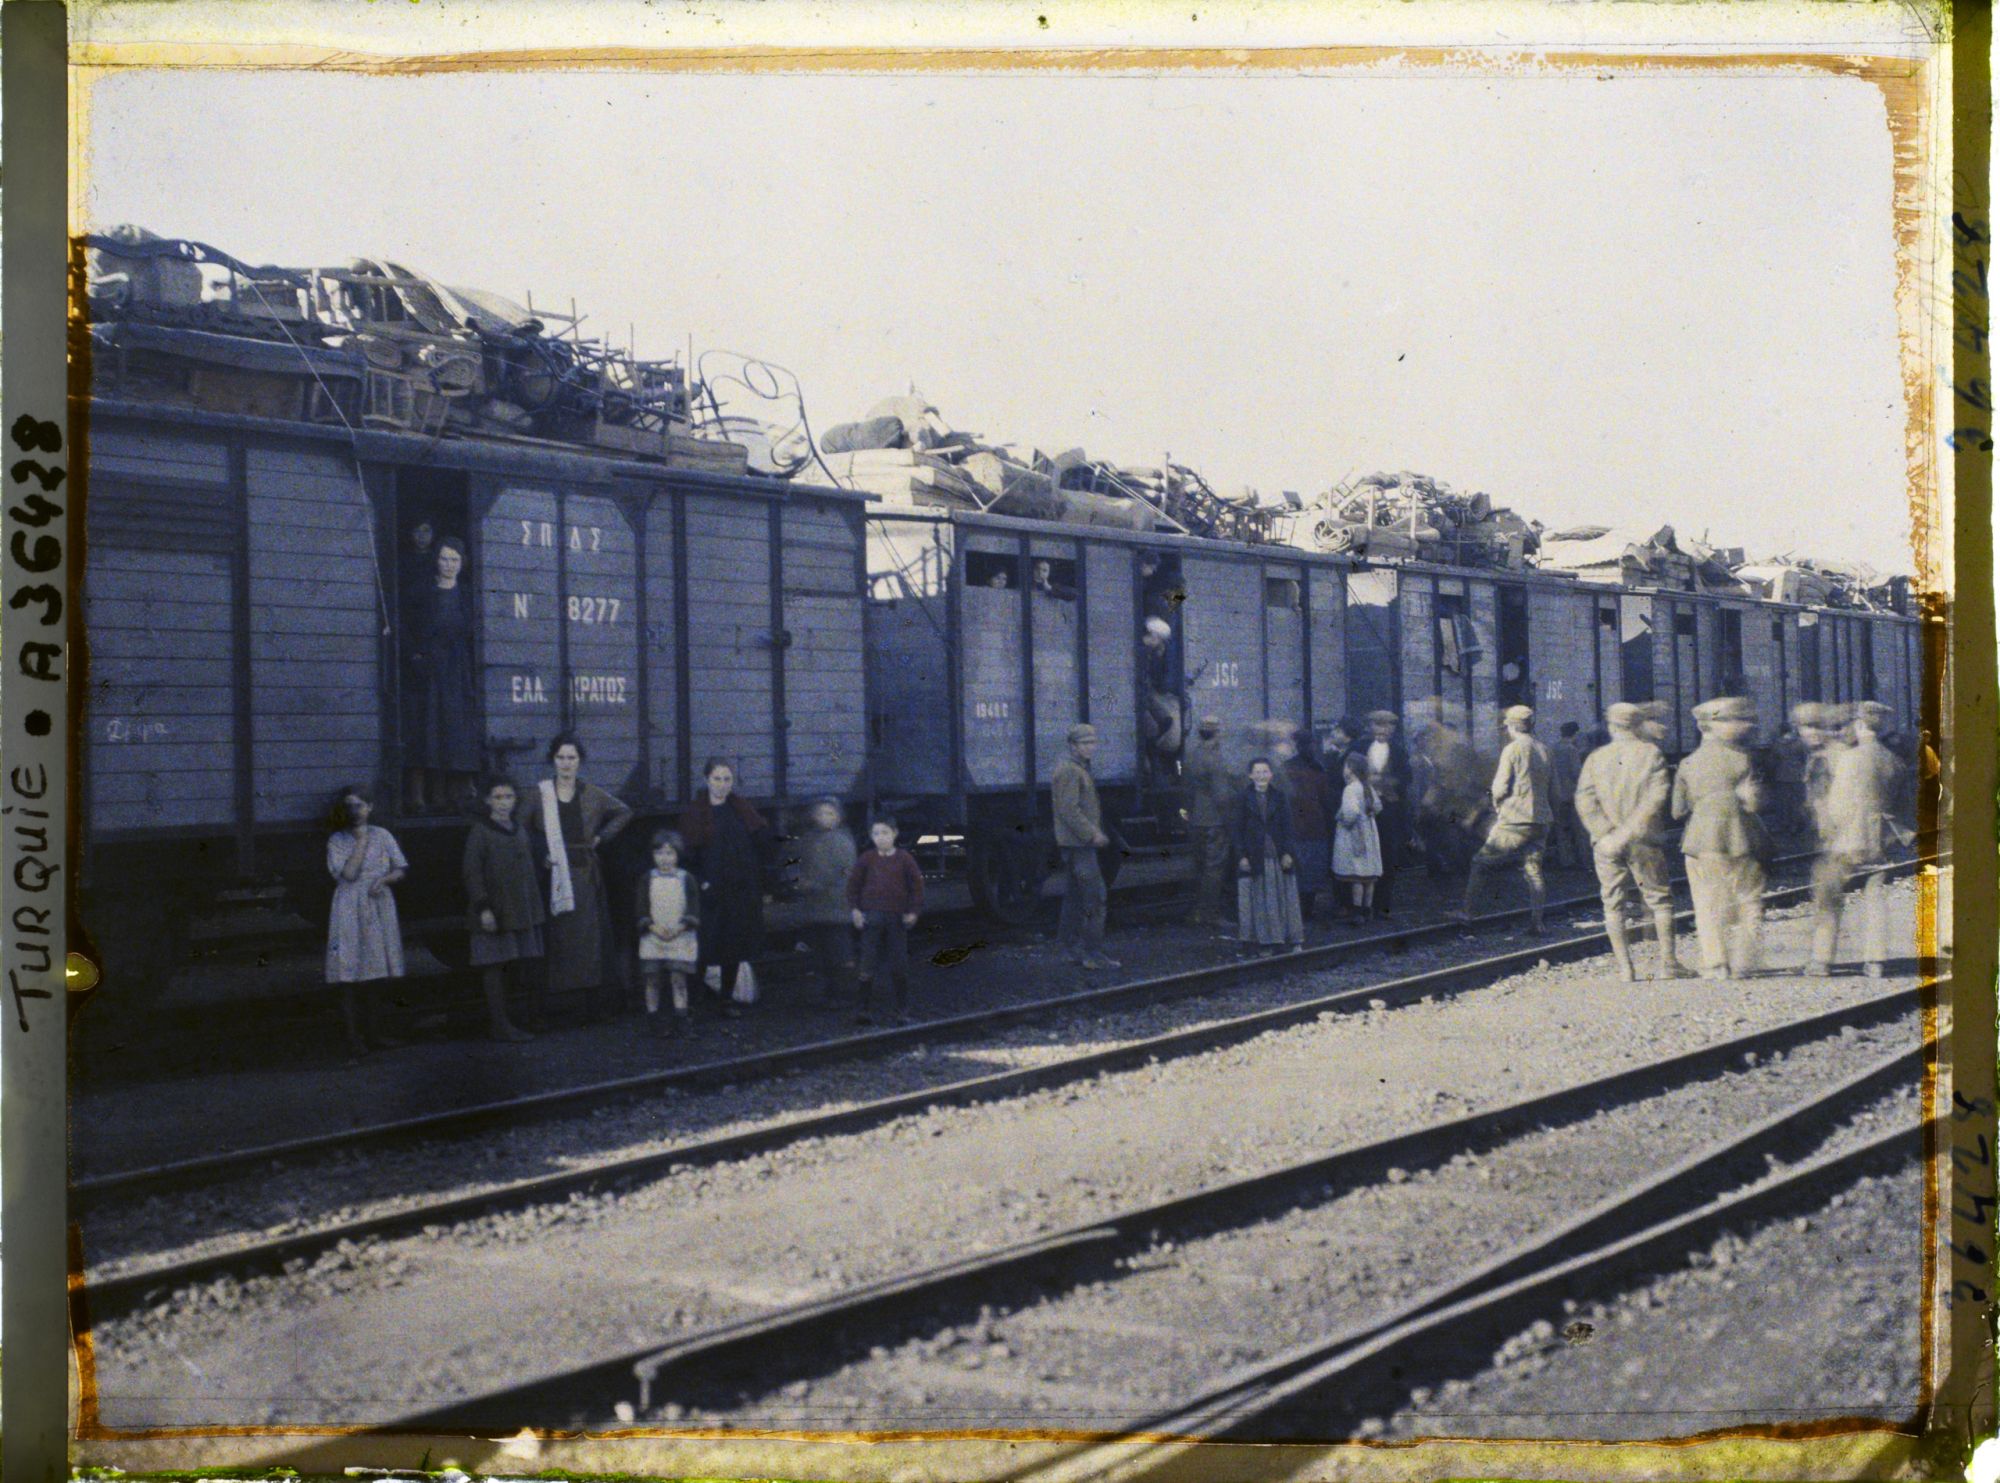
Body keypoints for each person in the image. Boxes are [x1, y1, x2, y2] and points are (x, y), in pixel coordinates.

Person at [522, 734, 633, 1022]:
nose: (566, 763)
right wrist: (540, 853)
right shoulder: (539, 794)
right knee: (559, 940)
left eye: (571, 758)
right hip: (554, 877)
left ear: (579, 761)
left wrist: (601, 837)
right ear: (552, 760)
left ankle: (592, 1007)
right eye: (561, 757)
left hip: (584, 875)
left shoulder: (592, 794)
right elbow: (521, 830)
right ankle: (561, 1007)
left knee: (589, 939)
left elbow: (624, 812)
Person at [1573, 703, 1687, 982]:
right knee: (1660, 900)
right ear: (1637, 725)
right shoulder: (1650, 754)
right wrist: (1627, 831)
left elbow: (1584, 800)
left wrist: (1606, 834)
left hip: (1605, 843)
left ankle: (1625, 969)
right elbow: (1656, 798)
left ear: (1611, 727)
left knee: (1612, 905)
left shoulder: (1596, 758)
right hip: (1643, 840)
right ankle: (1668, 963)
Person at [1671, 697, 1770, 980]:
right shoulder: (1743, 760)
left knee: (1706, 904)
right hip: (1741, 840)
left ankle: (1716, 965)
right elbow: (1753, 804)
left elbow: (1677, 812)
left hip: (1701, 842)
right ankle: (1744, 962)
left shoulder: (1687, 763)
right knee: (1749, 900)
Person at [1812, 701, 1905, 977]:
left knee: (1829, 896)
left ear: (1860, 724)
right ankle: (1875, 961)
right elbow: (1904, 806)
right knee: (1875, 899)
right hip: (1881, 839)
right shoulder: (1894, 760)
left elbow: (1837, 805)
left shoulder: (1849, 759)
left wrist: (1830, 830)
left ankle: (1822, 960)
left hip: (1848, 838)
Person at [679, 757, 771, 1018]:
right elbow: (687, 856)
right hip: (710, 890)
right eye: (717, 779)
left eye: (727, 779)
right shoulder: (695, 813)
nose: (722, 785)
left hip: (740, 889)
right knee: (704, 947)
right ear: (707, 780)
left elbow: (760, 842)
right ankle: (694, 1002)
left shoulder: (742, 809)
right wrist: (702, 882)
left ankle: (725, 1000)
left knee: (735, 946)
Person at [324, 785, 408, 1060]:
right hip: (349, 904)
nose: (355, 812)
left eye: (360, 805)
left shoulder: (383, 835)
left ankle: (375, 1033)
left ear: (370, 807)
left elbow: (400, 868)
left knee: (375, 969)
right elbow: (348, 874)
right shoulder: (337, 840)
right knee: (349, 970)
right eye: (349, 806)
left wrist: (384, 880)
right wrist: (360, 842)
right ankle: (352, 1038)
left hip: (378, 903)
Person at [1452, 705, 1553, 932]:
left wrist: (1498, 807)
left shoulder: (1512, 749)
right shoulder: (1544, 748)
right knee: (1533, 870)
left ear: (1511, 726)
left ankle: (1467, 914)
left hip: (1515, 819)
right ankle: (1538, 923)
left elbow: (1499, 787)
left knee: (1480, 862)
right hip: (1542, 819)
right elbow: (1551, 786)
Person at [402, 535, 482, 811]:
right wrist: (416, 656)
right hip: (428, 670)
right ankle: (419, 795)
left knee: (453, 730)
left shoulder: (468, 593)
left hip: (456, 670)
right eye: (444, 559)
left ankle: (450, 794)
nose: (449, 565)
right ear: (436, 561)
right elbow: (406, 627)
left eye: (455, 560)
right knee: (425, 729)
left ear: (462, 563)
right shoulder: (421, 591)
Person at [462, 773, 541, 1042]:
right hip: (494, 912)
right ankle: (499, 1024)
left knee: (514, 965)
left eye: (509, 797)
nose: (504, 802)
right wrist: (484, 909)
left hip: (518, 909)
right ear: (487, 800)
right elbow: (472, 873)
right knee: (494, 967)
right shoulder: (480, 832)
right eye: (497, 797)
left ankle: (516, 1020)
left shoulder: (519, 829)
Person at [847, 817, 925, 1025]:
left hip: (896, 919)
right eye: (876, 834)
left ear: (894, 834)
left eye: (884, 833)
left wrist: (913, 912)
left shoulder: (905, 859)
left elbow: (917, 887)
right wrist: (855, 910)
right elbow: (853, 886)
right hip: (871, 918)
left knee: (899, 964)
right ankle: (863, 1009)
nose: (880, 838)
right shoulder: (866, 859)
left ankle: (902, 1010)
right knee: (867, 963)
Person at [1053, 723, 1118, 971]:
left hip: (1075, 845)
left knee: (1074, 899)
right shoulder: (1071, 771)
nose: (1090, 748)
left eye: (1092, 743)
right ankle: (1093, 954)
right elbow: (1069, 809)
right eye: (1085, 744)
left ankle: (1069, 949)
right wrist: (1092, 835)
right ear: (1073, 746)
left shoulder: (1076, 768)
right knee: (1095, 898)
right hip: (1080, 846)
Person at [1234, 757, 1305, 952]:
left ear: (1271, 774)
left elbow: (1288, 827)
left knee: (1283, 897)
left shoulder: (1280, 797)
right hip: (1255, 855)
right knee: (1259, 900)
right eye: (1257, 772)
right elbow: (1237, 830)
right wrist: (1242, 856)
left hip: (1277, 854)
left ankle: (1290, 939)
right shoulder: (1243, 798)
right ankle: (1265, 941)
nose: (1261, 776)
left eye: (1265, 772)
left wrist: (1288, 853)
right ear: (1250, 775)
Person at [636, 829, 701, 1038]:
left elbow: (693, 909)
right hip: (653, 937)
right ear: (653, 855)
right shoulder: (647, 879)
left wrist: (679, 928)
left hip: (679, 936)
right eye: (660, 854)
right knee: (652, 980)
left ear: (678, 855)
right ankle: (654, 1022)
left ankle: (682, 1021)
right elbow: (641, 908)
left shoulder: (686, 879)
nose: (665, 859)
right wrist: (652, 927)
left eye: (670, 853)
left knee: (678, 979)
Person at [795, 797, 858, 1009]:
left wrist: (811, 884)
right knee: (821, 954)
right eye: (821, 813)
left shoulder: (841, 841)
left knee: (839, 954)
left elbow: (837, 873)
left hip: (836, 907)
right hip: (817, 908)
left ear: (839, 817)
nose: (825, 818)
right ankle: (826, 993)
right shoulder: (810, 840)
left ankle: (842, 994)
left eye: (830, 814)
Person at [1183, 714, 1235, 929]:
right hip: (1215, 818)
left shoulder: (1191, 754)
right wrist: (1230, 821)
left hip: (1197, 816)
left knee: (1201, 866)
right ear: (1217, 733)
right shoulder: (1215, 758)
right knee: (1215, 868)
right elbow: (1221, 795)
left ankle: (1197, 911)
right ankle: (1210, 914)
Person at [1361, 710, 1413, 918]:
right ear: (1370, 726)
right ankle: (1361, 904)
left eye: (1389, 726)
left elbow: (1406, 778)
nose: (1384, 730)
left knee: (1387, 856)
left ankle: (1382, 904)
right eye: (1379, 725)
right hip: (1363, 810)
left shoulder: (1399, 752)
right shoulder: (1358, 748)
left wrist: (1389, 783)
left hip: (1390, 811)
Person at [1282, 726, 1333, 920]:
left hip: (1296, 826)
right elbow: (1325, 799)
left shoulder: (1287, 768)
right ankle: (1307, 909)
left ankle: (1297, 909)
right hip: (1315, 826)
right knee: (1312, 869)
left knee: (1297, 868)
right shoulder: (1318, 768)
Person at [1331, 751, 1384, 924]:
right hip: (1369, 833)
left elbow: (1351, 812)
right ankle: (1367, 910)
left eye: (1346, 766)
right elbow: (1377, 807)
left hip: (1354, 835)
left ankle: (1357, 912)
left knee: (1357, 876)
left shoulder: (1350, 789)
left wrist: (1343, 820)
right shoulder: (1367, 787)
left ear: (1351, 769)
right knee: (1369, 877)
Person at [1139, 617, 1183, 772]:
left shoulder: (1150, 652)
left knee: (1166, 721)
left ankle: (1151, 755)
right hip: (1141, 698)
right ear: (1154, 636)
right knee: (1152, 729)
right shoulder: (1142, 652)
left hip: (1147, 695)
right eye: (1160, 640)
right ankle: (1149, 759)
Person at [1549, 720, 1587, 868]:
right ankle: (1583, 861)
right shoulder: (1571, 749)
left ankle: (1566, 860)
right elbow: (1576, 774)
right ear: (1575, 733)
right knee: (1578, 830)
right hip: (1572, 795)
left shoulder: (1553, 748)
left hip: (1557, 795)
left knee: (1561, 830)